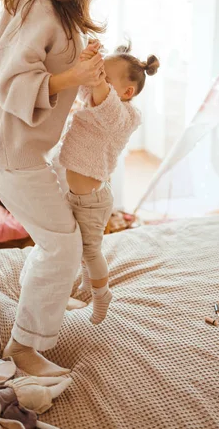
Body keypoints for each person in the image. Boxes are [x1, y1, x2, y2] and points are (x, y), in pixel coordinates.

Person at [0, 0, 128, 376]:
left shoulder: (57, 5)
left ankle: (42, 308)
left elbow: (47, 65)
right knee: (62, 246)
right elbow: (10, 79)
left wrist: (82, 64)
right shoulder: (42, 3)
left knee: (54, 243)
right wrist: (71, 76)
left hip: (23, 152)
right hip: (13, 153)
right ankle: (24, 348)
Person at [59, 41, 159, 324]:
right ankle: (86, 284)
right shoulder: (97, 99)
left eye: (105, 76)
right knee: (80, 245)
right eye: (99, 73)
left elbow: (105, 100)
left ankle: (102, 295)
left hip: (92, 200)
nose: (97, 78)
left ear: (127, 92)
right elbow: (85, 85)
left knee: (91, 250)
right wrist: (88, 59)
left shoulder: (121, 115)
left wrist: (97, 78)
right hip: (79, 195)